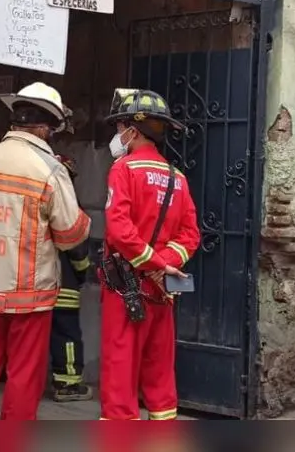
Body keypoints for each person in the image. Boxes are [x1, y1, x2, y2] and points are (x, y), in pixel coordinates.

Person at [0, 82, 90, 420]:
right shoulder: (49, 170)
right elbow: (70, 234)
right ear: (46, 127)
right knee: (23, 373)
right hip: (29, 295)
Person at [98, 88, 200, 421]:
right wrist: (165, 266)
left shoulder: (123, 169)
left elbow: (119, 231)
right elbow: (190, 236)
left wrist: (153, 265)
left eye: (120, 128)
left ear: (133, 130)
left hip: (125, 290)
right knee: (159, 375)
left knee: (120, 374)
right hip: (162, 292)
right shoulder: (178, 177)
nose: (118, 135)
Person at [49, 154, 94, 402]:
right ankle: (67, 384)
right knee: (66, 334)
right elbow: (78, 250)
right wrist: (81, 274)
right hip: (64, 283)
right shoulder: (70, 208)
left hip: (33, 283)